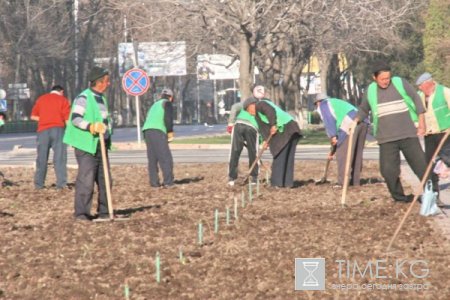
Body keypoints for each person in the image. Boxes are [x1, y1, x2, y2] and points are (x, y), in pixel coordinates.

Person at [355, 61, 428, 202]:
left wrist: (421, 123)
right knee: (388, 171)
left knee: (421, 166)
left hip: (407, 134)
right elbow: (364, 108)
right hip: (386, 138)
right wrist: (356, 120)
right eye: (382, 79)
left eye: (388, 78)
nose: (386, 81)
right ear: (374, 78)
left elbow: (416, 99)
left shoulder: (400, 83)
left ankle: (432, 194)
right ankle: (400, 198)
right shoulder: (370, 90)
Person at [63, 66, 112, 221]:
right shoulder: (83, 98)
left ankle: (105, 211)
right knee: (86, 179)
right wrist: (90, 126)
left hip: (100, 145)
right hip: (85, 145)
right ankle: (82, 213)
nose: (108, 84)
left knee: (106, 179)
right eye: (107, 81)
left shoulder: (101, 98)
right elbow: (76, 119)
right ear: (99, 83)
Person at [244, 96, 302, 188]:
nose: (250, 113)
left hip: (286, 129)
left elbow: (270, 111)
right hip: (292, 128)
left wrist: (273, 124)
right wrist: (265, 141)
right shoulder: (257, 116)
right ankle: (287, 183)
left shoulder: (260, 104)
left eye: (248, 110)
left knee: (279, 154)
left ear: (252, 105)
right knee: (287, 156)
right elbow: (263, 130)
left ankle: (277, 183)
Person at [315, 93, 368, 187]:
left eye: (316, 104)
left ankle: (342, 183)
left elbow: (329, 120)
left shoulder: (324, 104)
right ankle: (355, 182)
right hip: (363, 121)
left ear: (318, 102)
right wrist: (332, 150)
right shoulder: (336, 102)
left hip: (349, 122)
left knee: (342, 154)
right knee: (356, 153)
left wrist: (333, 136)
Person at [415, 72, 450, 205]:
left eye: (421, 86)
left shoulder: (445, 91)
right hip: (430, 135)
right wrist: (419, 127)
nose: (420, 89)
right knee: (430, 165)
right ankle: (434, 195)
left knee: (447, 160)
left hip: (446, 133)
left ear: (429, 83)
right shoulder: (419, 97)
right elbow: (417, 114)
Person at [30, 85, 71, 189]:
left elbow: (33, 116)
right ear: (61, 91)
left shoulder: (41, 99)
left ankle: (39, 184)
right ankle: (61, 184)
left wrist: (44, 118)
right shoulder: (63, 100)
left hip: (43, 130)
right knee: (59, 158)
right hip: (58, 130)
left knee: (42, 158)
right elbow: (67, 119)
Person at [226, 86, 265, 186]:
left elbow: (234, 107)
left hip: (241, 125)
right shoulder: (260, 104)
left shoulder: (250, 102)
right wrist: (263, 140)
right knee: (253, 152)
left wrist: (231, 123)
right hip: (248, 126)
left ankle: (232, 178)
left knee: (235, 151)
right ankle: (253, 178)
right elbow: (265, 125)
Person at [142, 88, 175, 188]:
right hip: (158, 130)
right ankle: (168, 182)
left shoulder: (155, 104)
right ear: (171, 97)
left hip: (147, 131)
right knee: (165, 158)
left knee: (152, 158)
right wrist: (169, 132)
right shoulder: (167, 104)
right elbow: (168, 119)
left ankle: (154, 183)